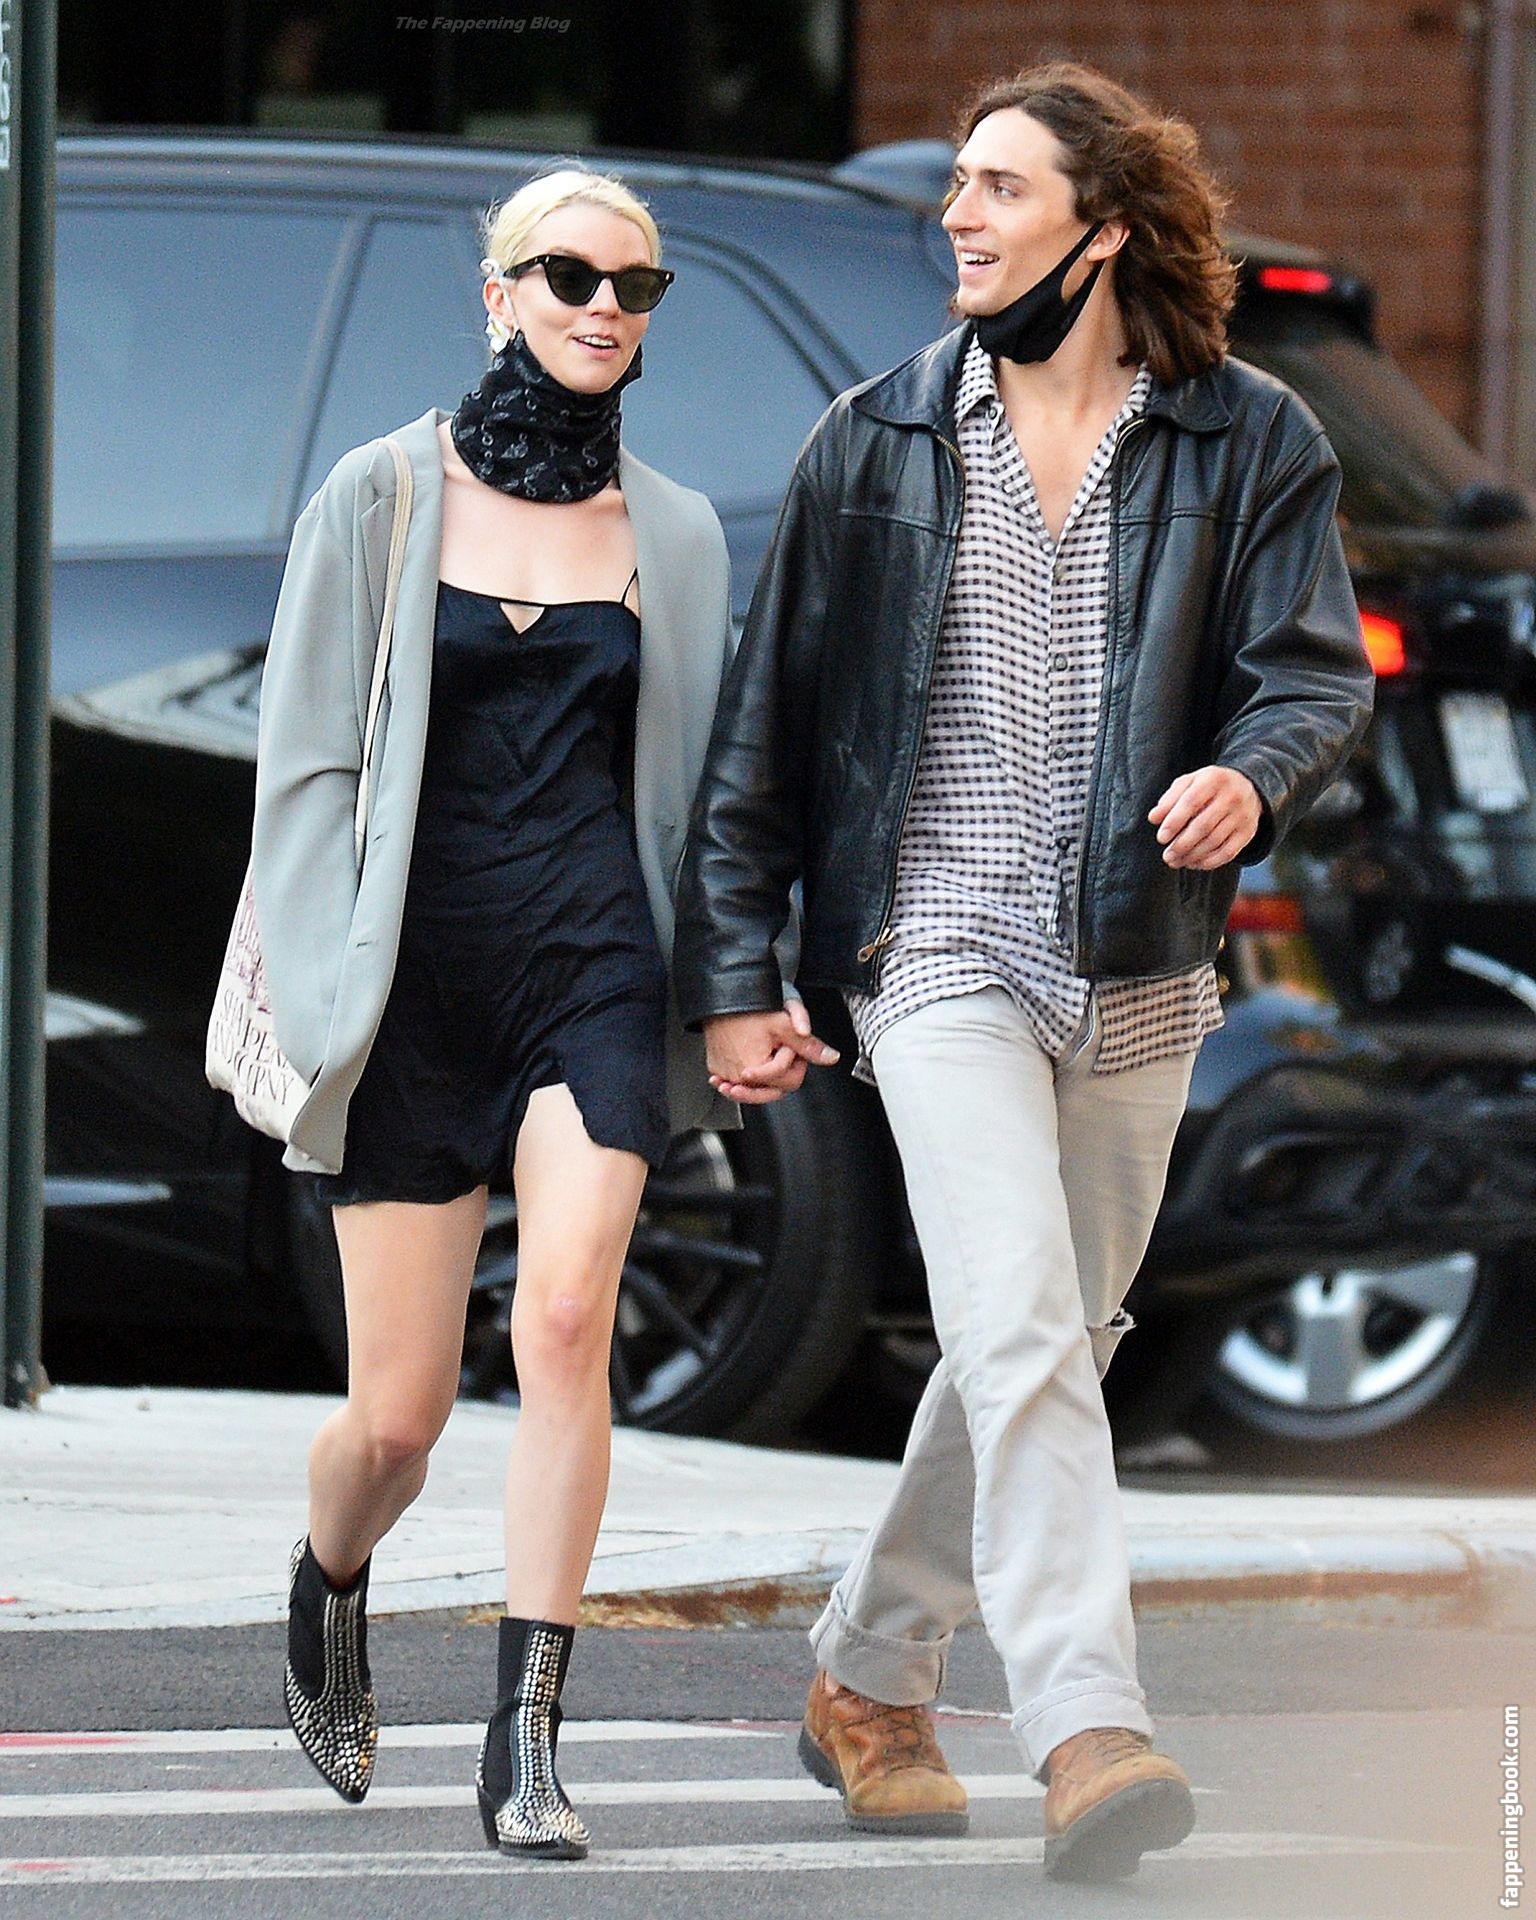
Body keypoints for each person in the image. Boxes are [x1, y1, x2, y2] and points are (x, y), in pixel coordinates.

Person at [673, 62, 1374, 1884]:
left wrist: (1253, 776)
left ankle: (866, 1674)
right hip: (936, 945)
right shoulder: (877, 441)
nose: (959, 215)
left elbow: (1311, 673)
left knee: (1056, 1340)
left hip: (1139, 957)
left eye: (998, 185)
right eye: (959, 185)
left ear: (1104, 227)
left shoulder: (1248, 437)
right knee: (1015, 1327)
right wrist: (736, 968)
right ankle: (1086, 1724)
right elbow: (764, 730)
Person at [243, 164, 776, 1861]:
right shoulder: (380, 494)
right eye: (568, 278)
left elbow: (701, 797)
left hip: (593, 970)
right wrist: (326, 990)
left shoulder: (672, 533)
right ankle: (332, 1576)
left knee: (561, 1322)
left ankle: (527, 1741)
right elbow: (305, 771)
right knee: (396, 1421)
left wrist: (735, 985)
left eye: (635, 287)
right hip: (413, 988)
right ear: (499, 295)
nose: (604, 308)